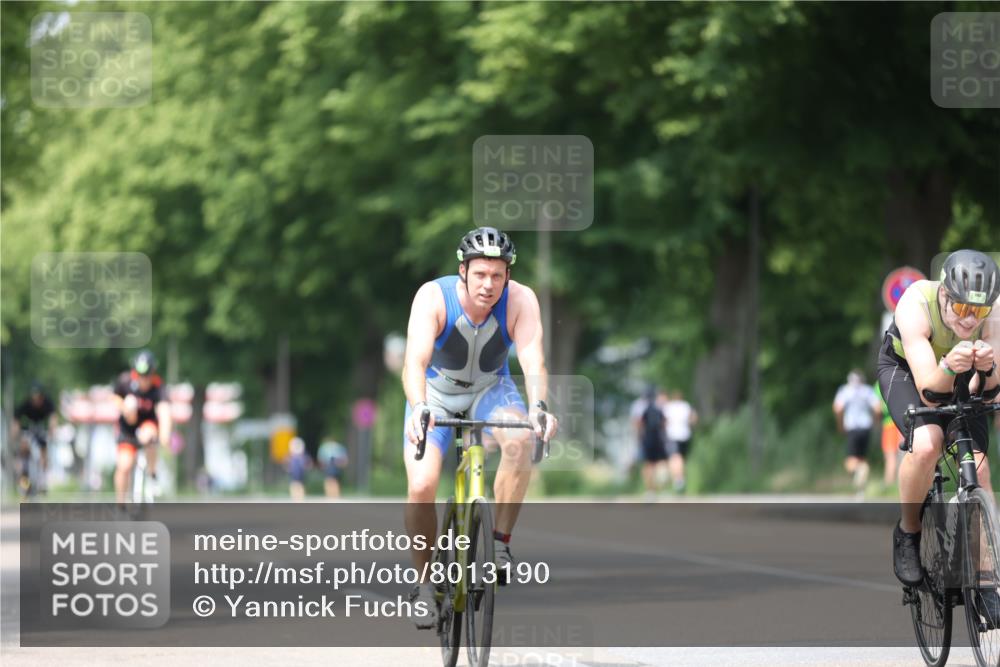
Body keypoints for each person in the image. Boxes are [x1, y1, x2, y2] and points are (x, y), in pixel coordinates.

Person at [401, 226, 558, 629]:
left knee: (521, 438)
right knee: (421, 487)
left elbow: (532, 359)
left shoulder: (520, 300)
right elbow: (414, 362)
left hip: (492, 390)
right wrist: (419, 406)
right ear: (463, 272)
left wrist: (539, 406)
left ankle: (500, 544)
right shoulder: (433, 297)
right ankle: (423, 585)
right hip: (434, 396)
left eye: (497, 275)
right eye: (480, 274)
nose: (488, 285)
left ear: (507, 275)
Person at [879, 249, 999, 587]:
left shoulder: (995, 314)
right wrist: (949, 365)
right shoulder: (915, 303)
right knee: (927, 443)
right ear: (944, 293)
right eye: (962, 308)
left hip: (958, 372)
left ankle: (986, 576)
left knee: (980, 466)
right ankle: (908, 532)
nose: (969, 320)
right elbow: (931, 392)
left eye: (980, 311)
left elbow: (990, 393)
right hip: (908, 371)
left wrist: (988, 368)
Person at [112, 350, 172, 506]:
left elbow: (164, 412)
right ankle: (121, 503)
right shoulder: (125, 382)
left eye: (147, 376)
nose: (143, 380)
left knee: (149, 437)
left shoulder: (159, 388)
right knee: (124, 465)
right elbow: (115, 397)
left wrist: (165, 436)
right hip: (127, 429)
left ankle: (152, 475)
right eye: (140, 375)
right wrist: (125, 408)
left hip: (148, 424)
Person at [832, 370, 880, 492]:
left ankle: (860, 470)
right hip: (865, 427)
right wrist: (875, 422)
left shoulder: (845, 390)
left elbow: (838, 408)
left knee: (850, 462)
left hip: (852, 428)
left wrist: (840, 424)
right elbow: (877, 408)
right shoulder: (867, 390)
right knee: (862, 457)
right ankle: (861, 488)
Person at [10, 381, 57, 493]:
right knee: (24, 449)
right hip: (29, 429)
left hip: (41, 430)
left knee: (43, 450)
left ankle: (43, 481)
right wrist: (14, 433)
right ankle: (24, 479)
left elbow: (53, 418)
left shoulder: (47, 403)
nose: (36, 400)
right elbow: (16, 419)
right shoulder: (26, 404)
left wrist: (52, 431)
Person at [632, 387, 667, 499]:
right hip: (658, 438)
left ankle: (650, 490)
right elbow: (664, 423)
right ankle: (657, 488)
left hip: (647, 438)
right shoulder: (659, 408)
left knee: (648, 465)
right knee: (658, 464)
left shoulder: (642, 408)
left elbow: (639, 423)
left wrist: (638, 437)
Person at [664, 389, 698, 494]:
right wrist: (690, 425)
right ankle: (679, 479)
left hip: (672, 435)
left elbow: (664, 421)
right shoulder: (686, 405)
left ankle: (678, 480)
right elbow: (694, 418)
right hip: (685, 434)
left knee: (675, 457)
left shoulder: (668, 407)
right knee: (681, 458)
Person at [874, 381, 903, 486]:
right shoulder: (902, 377)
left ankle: (889, 483)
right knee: (903, 454)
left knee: (890, 456)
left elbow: (877, 408)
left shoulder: (880, 383)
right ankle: (901, 482)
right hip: (903, 421)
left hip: (889, 423)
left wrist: (877, 421)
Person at [287, 437, 310, 501]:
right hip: (295, 471)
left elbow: (307, 463)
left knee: (298, 484)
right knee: (295, 484)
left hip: (299, 471)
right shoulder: (292, 456)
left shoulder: (302, 455)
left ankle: (299, 498)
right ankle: (296, 498)